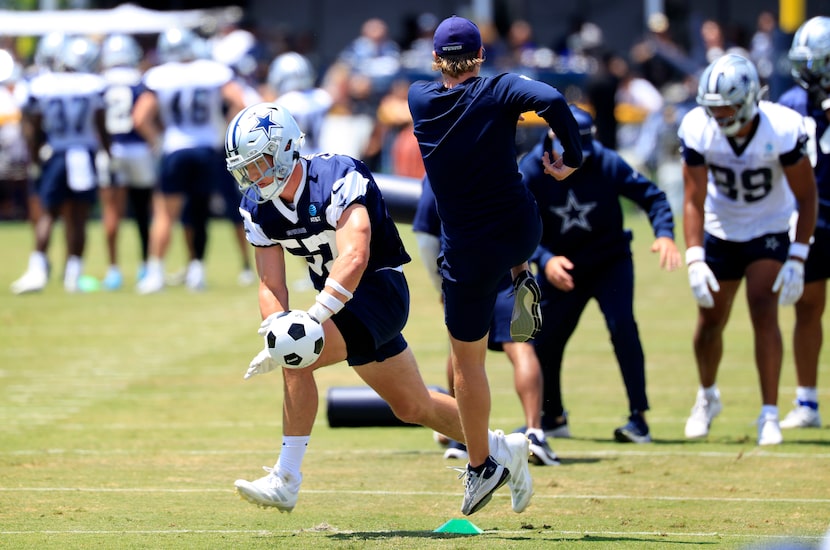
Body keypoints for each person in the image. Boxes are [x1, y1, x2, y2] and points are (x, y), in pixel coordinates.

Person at [224, 102, 531, 516]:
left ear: (283, 150)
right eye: (246, 168)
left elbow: (356, 255)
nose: (253, 176)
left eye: (259, 163)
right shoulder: (256, 207)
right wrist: (276, 325)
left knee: (298, 357)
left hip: (377, 292)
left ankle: (286, 478)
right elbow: (270, 282)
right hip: (337, 305)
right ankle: (502, 449)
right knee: (413, 406)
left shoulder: (338, 176)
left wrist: (307, 324)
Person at [407, 15, 583, 515]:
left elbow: (453, 88)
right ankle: (521, 274)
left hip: (466, 250)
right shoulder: (500, 90)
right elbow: (550, 99)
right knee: (517, 211)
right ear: (481, 56)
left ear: (437, 59)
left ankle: (480, 464)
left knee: (467, 363)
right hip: (520, 232)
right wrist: (573, 154)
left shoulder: (419, 98)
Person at [519, 105, 681, 443]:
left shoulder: (606, 161)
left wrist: (664, 233)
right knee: (545, 339)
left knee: (622, 326)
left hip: (610, 262)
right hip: (562, 268)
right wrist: (545, 259)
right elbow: (517, 226)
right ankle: (553, 417)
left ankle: (639, 419)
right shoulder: (532, 170)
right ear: (553, 138)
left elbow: (653, 198)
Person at [678, 53, 817, 446]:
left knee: (763, 306)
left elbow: (807, 197)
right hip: (721, 228)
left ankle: (769, 413)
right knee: (710, 320)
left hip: (768, 227)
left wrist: (797, 257)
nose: (719, 117)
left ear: (750, 100)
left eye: (727, 108)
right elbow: (693, 198)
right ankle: (707, 396)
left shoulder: (782, 128)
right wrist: (694, 258)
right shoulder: (698, 128)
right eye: (713, 109)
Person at [412, 175, 559, 465]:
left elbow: (426, 236)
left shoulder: (439, 164)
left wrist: (437, 283)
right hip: (504, 263)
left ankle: (463, 435)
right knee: (521, 347)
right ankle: (535, 432)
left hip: (462, 266)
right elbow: (525, 216)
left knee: (461, 353)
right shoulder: (498, 161)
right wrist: (522, 266)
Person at [133, 27, 246, 294]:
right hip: (207, 149)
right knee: (199, 213)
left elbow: (139, 118)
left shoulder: (159, 76)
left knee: (164, 214)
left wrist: (158, 141)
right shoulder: (212, 71)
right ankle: (197, 270)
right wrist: (223, 132)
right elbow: (239, 103)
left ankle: (155, 272)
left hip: (175, 148)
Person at [11, 35, 110, 294]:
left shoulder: (43, 84)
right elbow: (102, 125)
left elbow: (32, 125)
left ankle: (37, 270)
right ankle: (72, 274)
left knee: (48, 213)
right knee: (78, 217)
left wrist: (34, 157)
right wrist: (108, 154)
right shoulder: (93, 85)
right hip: (82, 153)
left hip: (55, 152)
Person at [776, 16, 830, 429]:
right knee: (808, 307)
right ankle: (807, 402)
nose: (806, 72)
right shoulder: (791, 104)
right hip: (811, 218)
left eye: (815, 64)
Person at [99, 33, 155, 289]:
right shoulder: (140, 81)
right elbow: (144, 114)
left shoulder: (99, 83)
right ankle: (146, 265)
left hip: (110, 150)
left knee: (111, 211)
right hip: (138, 150)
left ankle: (113, 270)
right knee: (143, 211)